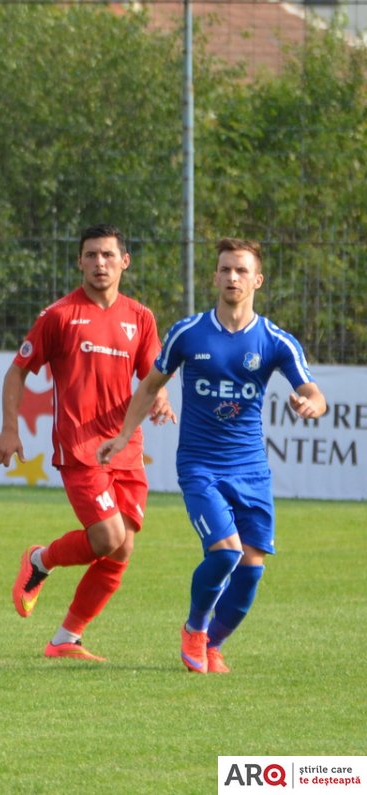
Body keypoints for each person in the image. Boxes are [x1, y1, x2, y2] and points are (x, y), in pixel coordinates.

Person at [97, 238, 326, 674]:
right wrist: (126, 434)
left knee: (250, 574)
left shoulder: (275, 340)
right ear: (215, 277)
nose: (232, 277)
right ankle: (195, 629)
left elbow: (312, 391)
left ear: (257, 279)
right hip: (200, 465)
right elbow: (149, 385)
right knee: (225, 553)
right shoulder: (189, 332)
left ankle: (214, 643)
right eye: (225, 269)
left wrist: (312, 403)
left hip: (251, 471)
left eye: (241, 270)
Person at [0, 224, 175, 661]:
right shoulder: (59, 316)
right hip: (79, 448)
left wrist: (162, 396)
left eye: (108, 255)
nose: (99, 264)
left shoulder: (141, 317)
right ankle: (40, 560)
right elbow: (17, 370)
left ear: (124, 261)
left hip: (126, 447)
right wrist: (10, 428)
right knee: (109, 536)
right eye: (91, 256)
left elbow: (152, 375)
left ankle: (65, 639)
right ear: (79, 262)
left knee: (121, 548)